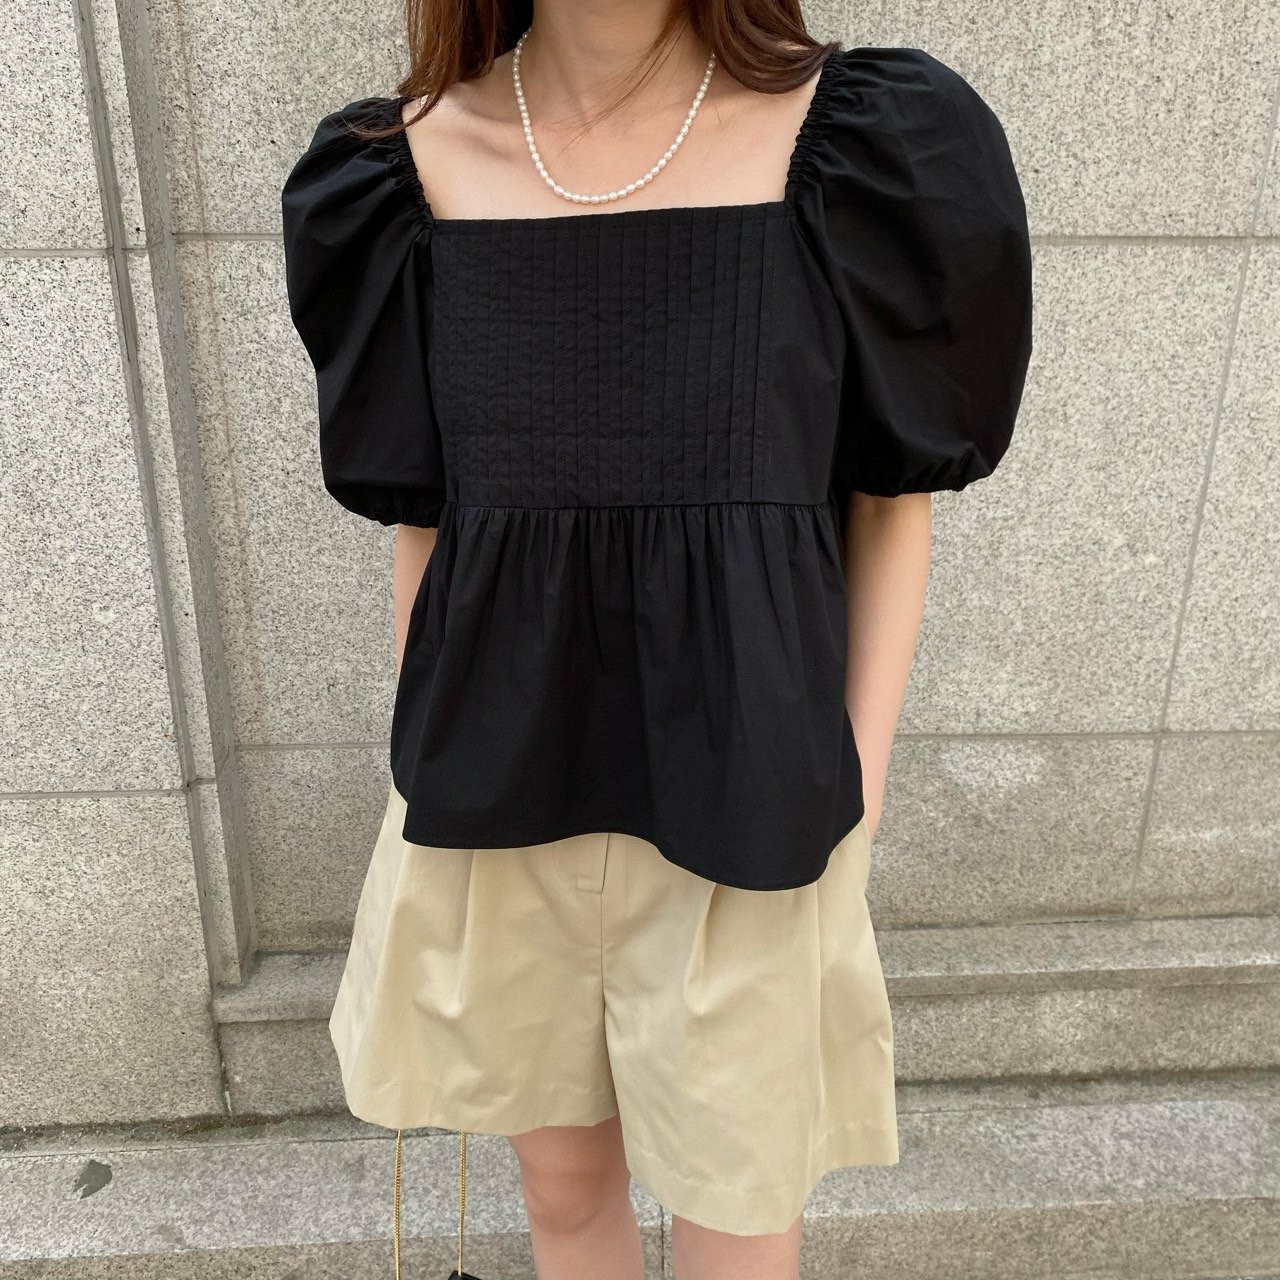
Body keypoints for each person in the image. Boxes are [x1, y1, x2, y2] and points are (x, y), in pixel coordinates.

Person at [280, 2, 1033, 1275]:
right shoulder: (396, 173)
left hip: (752, 803)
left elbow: (888, 501)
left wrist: (851, 787)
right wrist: (421, 775)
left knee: (738, 1210)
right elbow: (425, 520)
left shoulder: (860, 147)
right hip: (493, 799)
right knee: (563, 1190)